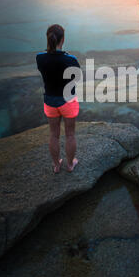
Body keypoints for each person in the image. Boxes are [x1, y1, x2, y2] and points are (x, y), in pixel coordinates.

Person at [36, 24, 80, 173]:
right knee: (70, 134)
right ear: (63, 39)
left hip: (50, 101)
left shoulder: (40, 58)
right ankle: (70, 164)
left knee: (54, 135)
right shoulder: (70, 59)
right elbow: (77, 77)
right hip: (68, 101)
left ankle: (56, 165)